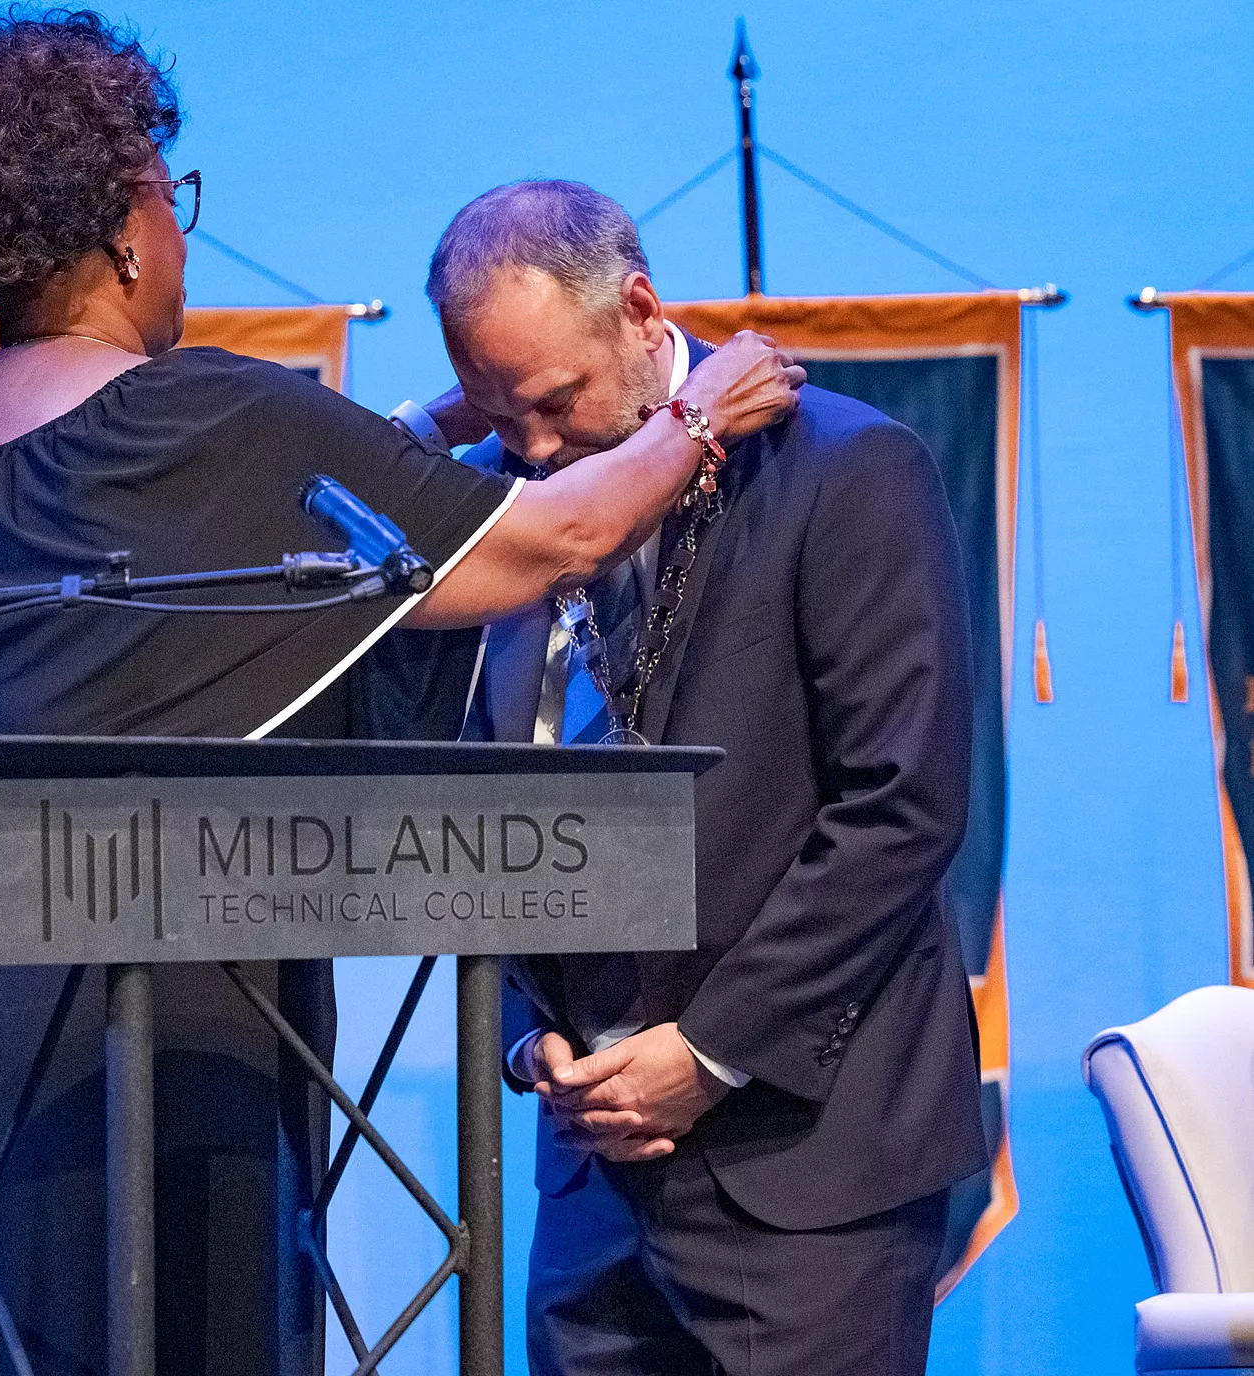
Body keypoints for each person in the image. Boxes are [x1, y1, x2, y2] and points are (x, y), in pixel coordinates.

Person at [0, 16, 803, 1374]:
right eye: (172, 203)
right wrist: (703, 417)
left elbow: (177, 592)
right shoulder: (203, 413)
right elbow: (553, 541)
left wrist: (405, 443)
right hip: (126, 1006)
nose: (179, 238)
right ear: (124, 224)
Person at [408, 179, 986, 1376]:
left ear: (638, 309)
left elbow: (902, 806)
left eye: (556, 401)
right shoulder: (517, 504)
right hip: (593, 1174)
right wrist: (530, 1038)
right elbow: (496, 800)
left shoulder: (848, 468)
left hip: (808, 1165)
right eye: (504, 413)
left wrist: (708, 1049)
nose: (536, 448)